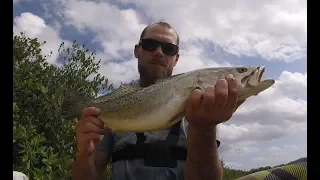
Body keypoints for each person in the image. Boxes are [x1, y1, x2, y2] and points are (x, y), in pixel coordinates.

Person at [71, 22, 244, 180]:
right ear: (137, 50)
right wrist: (84, 154)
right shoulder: (109, 109)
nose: (159, 52)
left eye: (169, 48)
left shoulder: (202, 104)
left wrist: (205, 129)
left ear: (176, 58)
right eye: (150, 45)